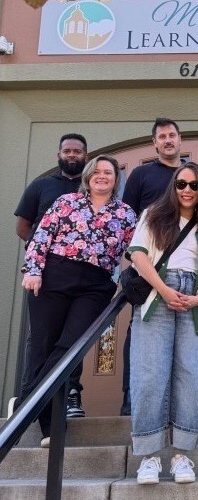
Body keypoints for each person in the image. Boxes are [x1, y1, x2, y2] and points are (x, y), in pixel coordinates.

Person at [19, 155, 136, 447]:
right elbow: (40, 237)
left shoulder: (125, 213)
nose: (102, 176)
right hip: (54, 277)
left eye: (108, 172)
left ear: (115, 179)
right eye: (96, 171)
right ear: (87, 176)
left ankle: (25, 404)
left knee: (69, 348)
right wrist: (33, 270)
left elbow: (136, 251)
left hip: (95, 285)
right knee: (43, 347)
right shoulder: (66, 202)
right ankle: (50, 426)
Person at [128, 162, 198, 485]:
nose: (186, 190)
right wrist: (165, 289)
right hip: (158, 296)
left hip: (194, 303)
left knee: (190, 377)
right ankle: (149, 457)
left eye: (194, 185)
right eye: (181, 184)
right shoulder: (153, 216)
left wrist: (196, 298)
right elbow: (139, 255)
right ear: (173, 186)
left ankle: (182, 454)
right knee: (150, 374)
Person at [13, 133, 89, 419]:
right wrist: (41, 253)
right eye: (67, 151)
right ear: (59, 154)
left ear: (85, 154)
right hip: (44, 274)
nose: (72, 155)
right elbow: (23, 227)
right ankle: (29, 395)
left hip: (82, 276)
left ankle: (70, 393)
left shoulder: (91, 187)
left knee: (74, 334)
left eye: (77, 151)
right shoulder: (42, 185)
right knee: (41, 336)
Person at [120, 117, 183, 416]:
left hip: (186, 268)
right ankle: (131, 401)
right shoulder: (141, 175)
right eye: (162, 136)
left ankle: (172, 405)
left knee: (181, 338)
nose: (168, 140)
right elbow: (126, 220)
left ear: (179, 140)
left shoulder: (191, 176)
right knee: (141, 334)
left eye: (172, 135)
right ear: (155, 143)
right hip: (148, 267)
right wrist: (134, 258)